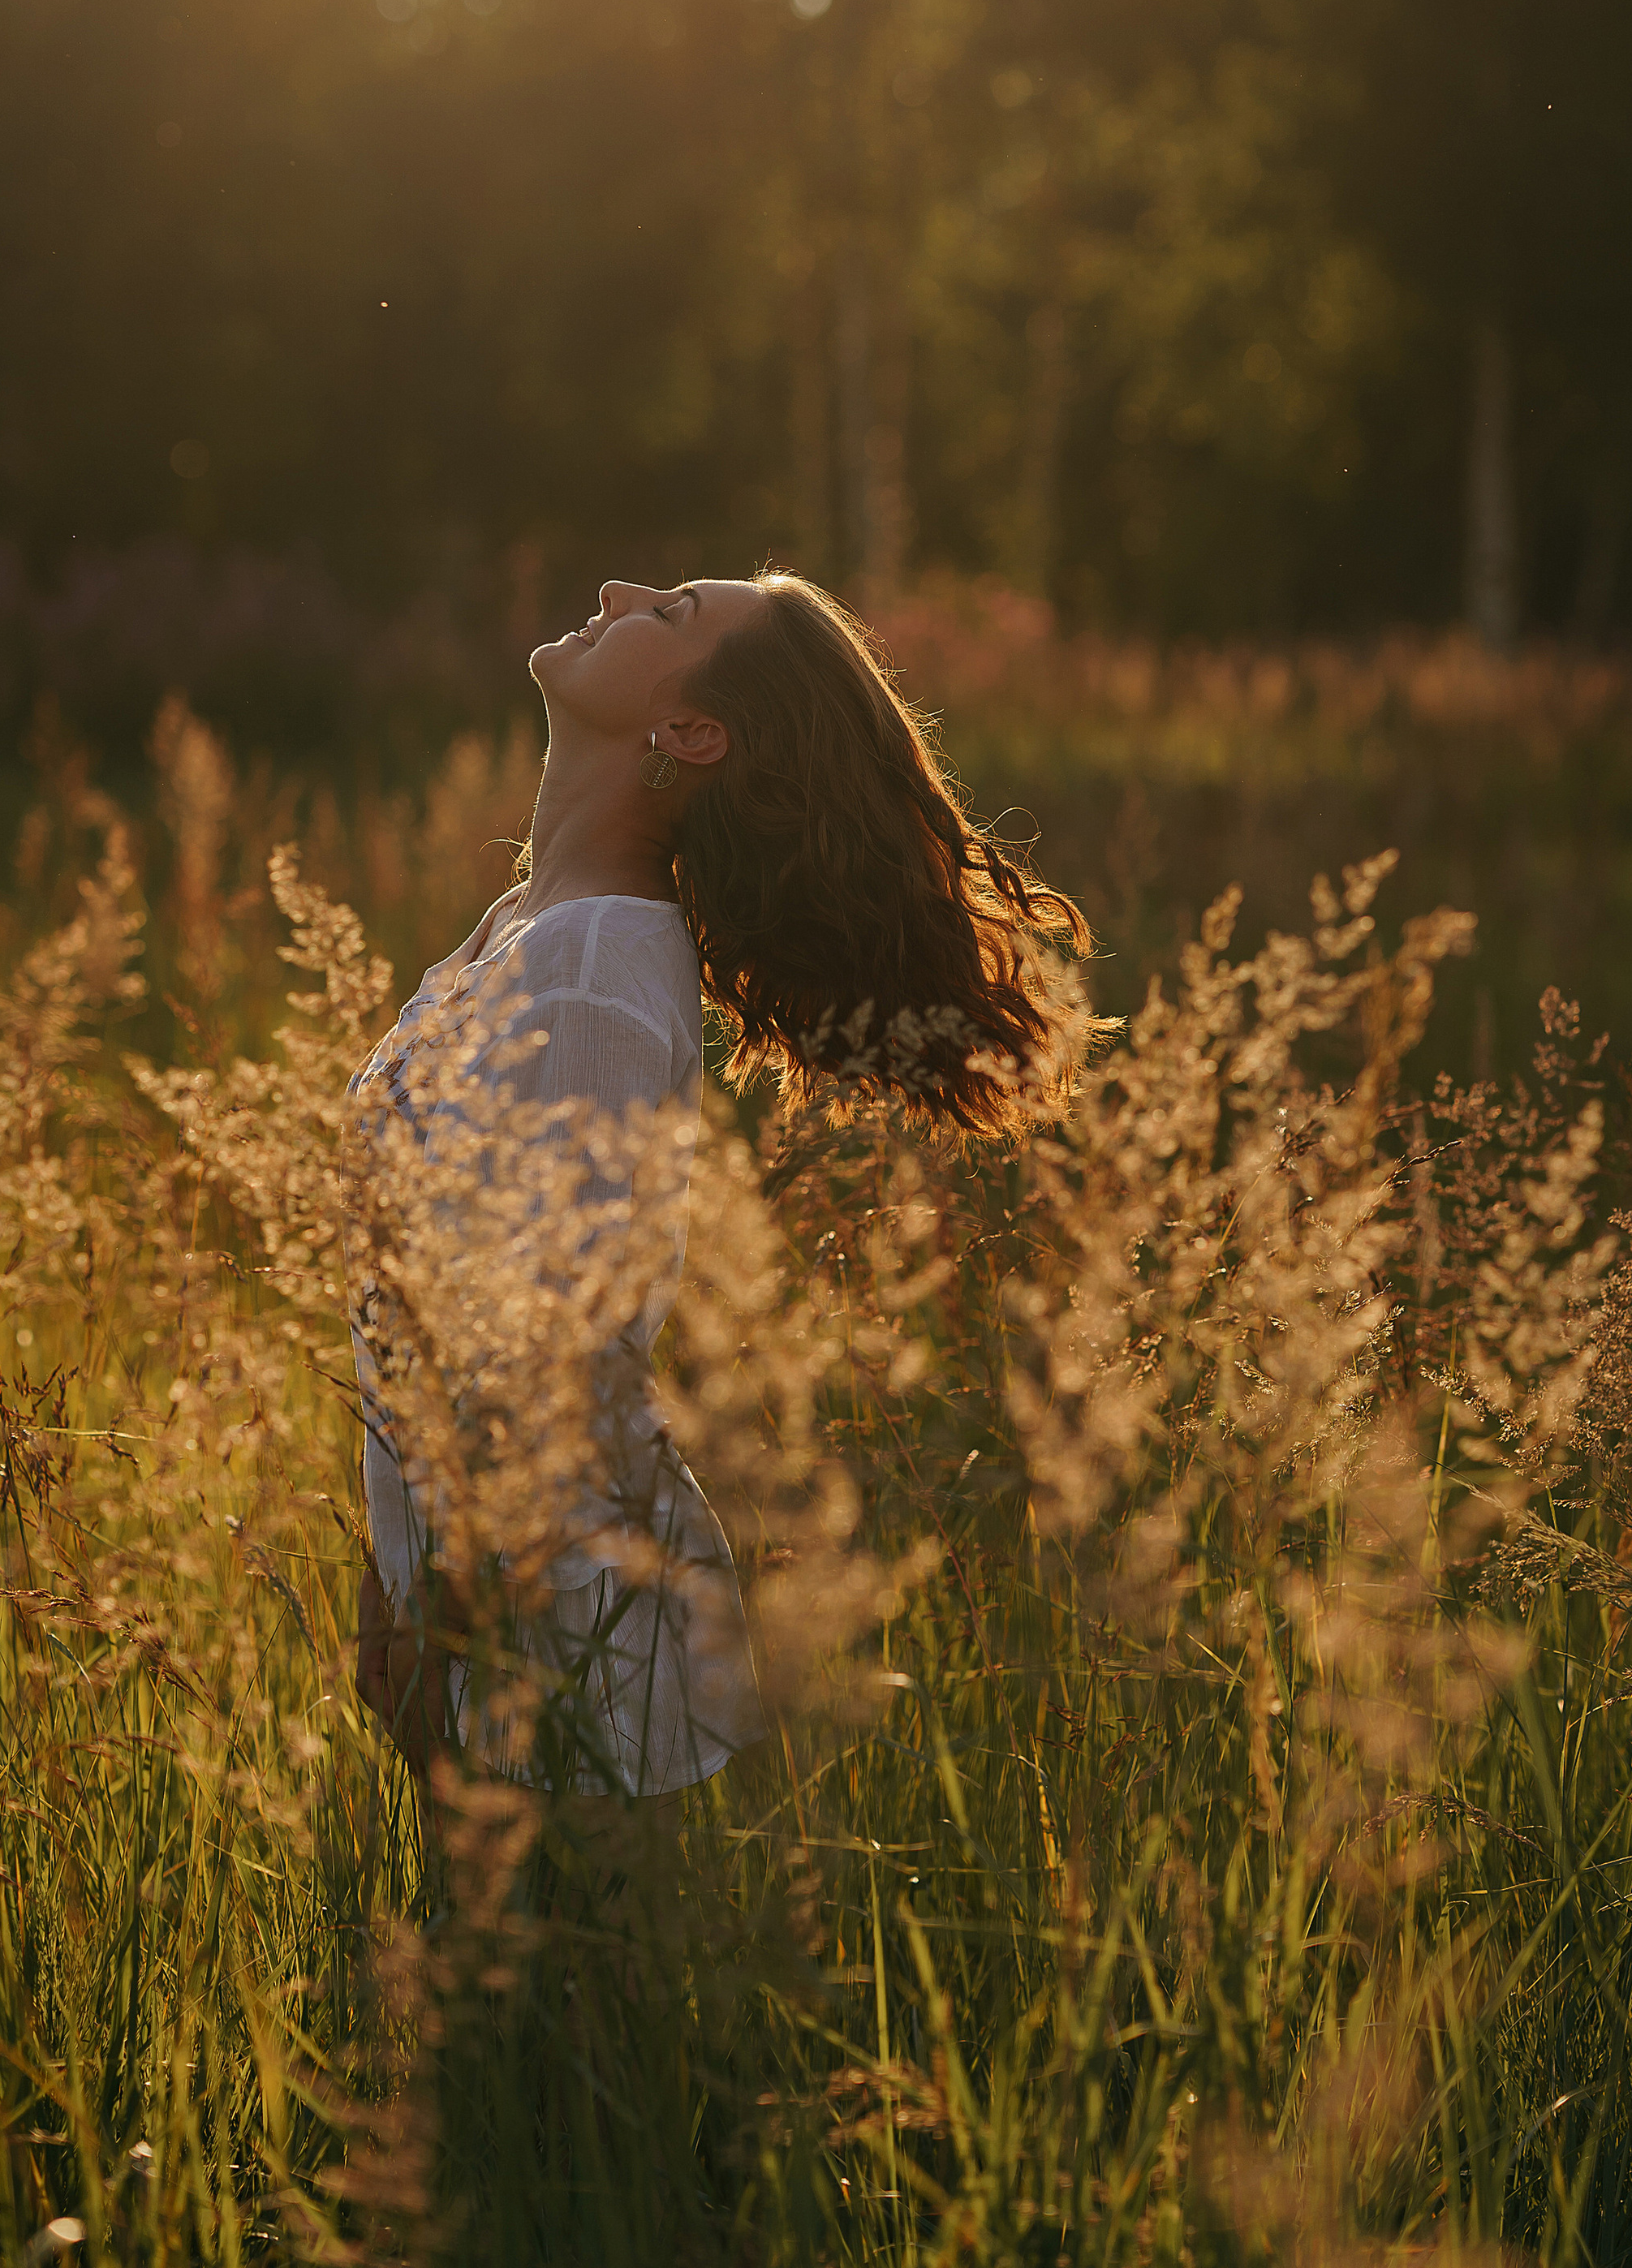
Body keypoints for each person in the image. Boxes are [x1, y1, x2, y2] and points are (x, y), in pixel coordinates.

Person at [348, 569, 1089, 1810]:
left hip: (569, 1646)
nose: (619, 588)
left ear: (691, 733)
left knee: (579, 1993)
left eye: (674, 613)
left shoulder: (592, 967)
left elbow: (559, 1356)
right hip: (495, 1602)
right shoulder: (536, 925)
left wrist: (442, 1613)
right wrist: (397, 1573)